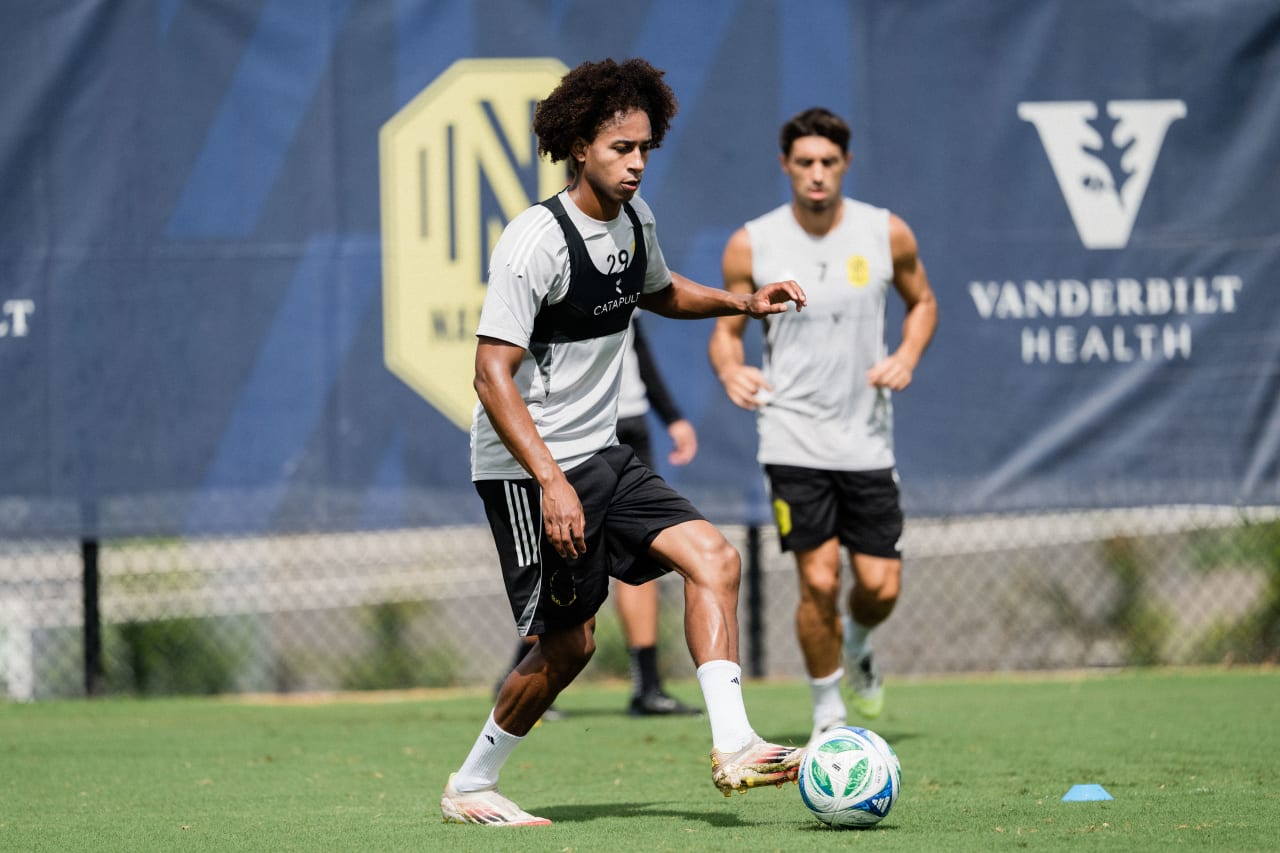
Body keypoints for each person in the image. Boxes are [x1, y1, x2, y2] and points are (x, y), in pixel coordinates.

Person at [441, 58, 808, 827]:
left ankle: (735, 743)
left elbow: (660, 291)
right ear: (580, 145)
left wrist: (742, 300)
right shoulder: (533, 242)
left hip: (602, 453)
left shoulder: (636, 221)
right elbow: (489, 375)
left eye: (645, 148)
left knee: (716, 556)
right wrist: (550, 479)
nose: (637, 162)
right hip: (524, 469)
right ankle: (472, 783)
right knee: (570, 648)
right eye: (620, 148)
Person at [708, 107, 937, 747]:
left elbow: (923, 302)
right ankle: (828, 711)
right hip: (791, 436)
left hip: (866, 438)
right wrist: (731, 371)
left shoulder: (885, 232)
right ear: (786, 166)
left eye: (827, 162)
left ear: (845, 165)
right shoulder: (752, 243)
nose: (816, 174)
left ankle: (859, 643)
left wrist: (906, 356)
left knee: (878, 586)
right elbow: (727, 332)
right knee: (817, 579)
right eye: (804, 162)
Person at [496, 313, 702, 718]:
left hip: (629, 422)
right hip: (572, 430)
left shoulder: (628, 256)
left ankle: (647, 685)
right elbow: (503, 364)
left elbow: (635, 345)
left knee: (646, 552)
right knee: (568, 560)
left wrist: (672, 416)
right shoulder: (544, 262)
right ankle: (520, 678)